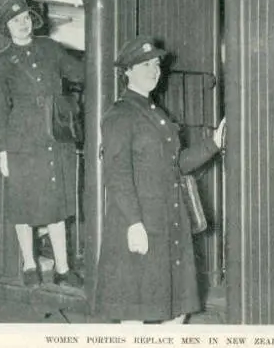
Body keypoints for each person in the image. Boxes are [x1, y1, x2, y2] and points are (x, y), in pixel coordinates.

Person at [95, 36, 225, 323]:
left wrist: (213, 143)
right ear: (127, 71)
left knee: (176, 309)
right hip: (141, 221)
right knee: (134, 310)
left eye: (156, 64)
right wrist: (134, 224)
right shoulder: (120, 114)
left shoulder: (156, 113)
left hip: (169, 219)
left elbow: (176, 164)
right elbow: (117, 175)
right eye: (144, 65)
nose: (153, 70)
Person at [0, 0, 85, 289]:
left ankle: (63, 269)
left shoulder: (50, 48)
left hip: (54, 135)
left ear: (32, 20)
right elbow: (0, 110)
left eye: (26, 17)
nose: (22, 23)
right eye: (15, 20)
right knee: (23, 203)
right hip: (22, 141)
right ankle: (30, 265)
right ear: (6, 27)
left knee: (57, 201)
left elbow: (79, 73)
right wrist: (3, 150)